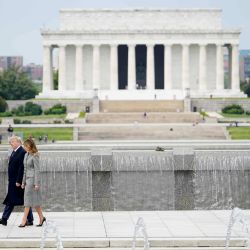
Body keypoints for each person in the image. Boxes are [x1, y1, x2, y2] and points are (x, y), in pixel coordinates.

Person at [0, 136, 33, 226]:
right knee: (22, 200)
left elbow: (22, 168)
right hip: (13, 181)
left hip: (17, 181)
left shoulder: (22, 152)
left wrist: (19, 181)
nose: (10, 143)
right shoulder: (14, 152)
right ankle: (30, 219)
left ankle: (4, 218)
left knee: (14, 200)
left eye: (12, 141)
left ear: (18, 142)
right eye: (10, 142)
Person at [19, 138, 46, 227]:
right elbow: (25, 169)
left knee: (27, 200)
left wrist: (36, 183)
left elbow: (37, 170)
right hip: (27, 180)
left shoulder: (35, 155)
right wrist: (23, 182)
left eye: (25, 146)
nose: (24, 147)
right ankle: (41, 218)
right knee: (35, 201)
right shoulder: (26, 155)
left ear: (30, 146)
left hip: (33, 180)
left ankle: (23, 220)